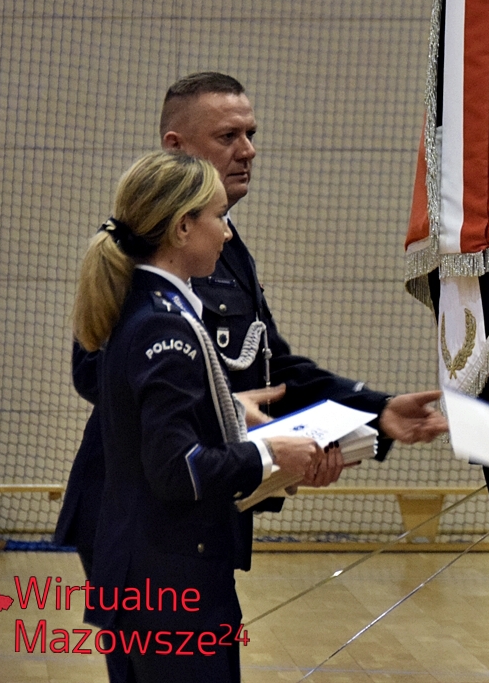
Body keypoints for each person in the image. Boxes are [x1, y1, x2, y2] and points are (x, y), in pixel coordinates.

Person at [57, 72, 445, 578]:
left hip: (203, 507)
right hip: (142, 510)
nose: (248, 151)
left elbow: (271, 367)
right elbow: (96, 374)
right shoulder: (141, 252)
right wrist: (229, 415)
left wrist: (376, 411)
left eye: (250, 134)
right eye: (228, 136)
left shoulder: (228, 247)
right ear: (176, 146)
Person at [75, 152, 326, 682]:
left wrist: (231, 411)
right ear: (182, 227)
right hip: (170, 581)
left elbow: (150, 422)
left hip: (156, 573)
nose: (228, 234)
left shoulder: (143, 305)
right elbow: (177, 469)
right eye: (218, 217)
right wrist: (269, 454)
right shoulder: (162, 324)